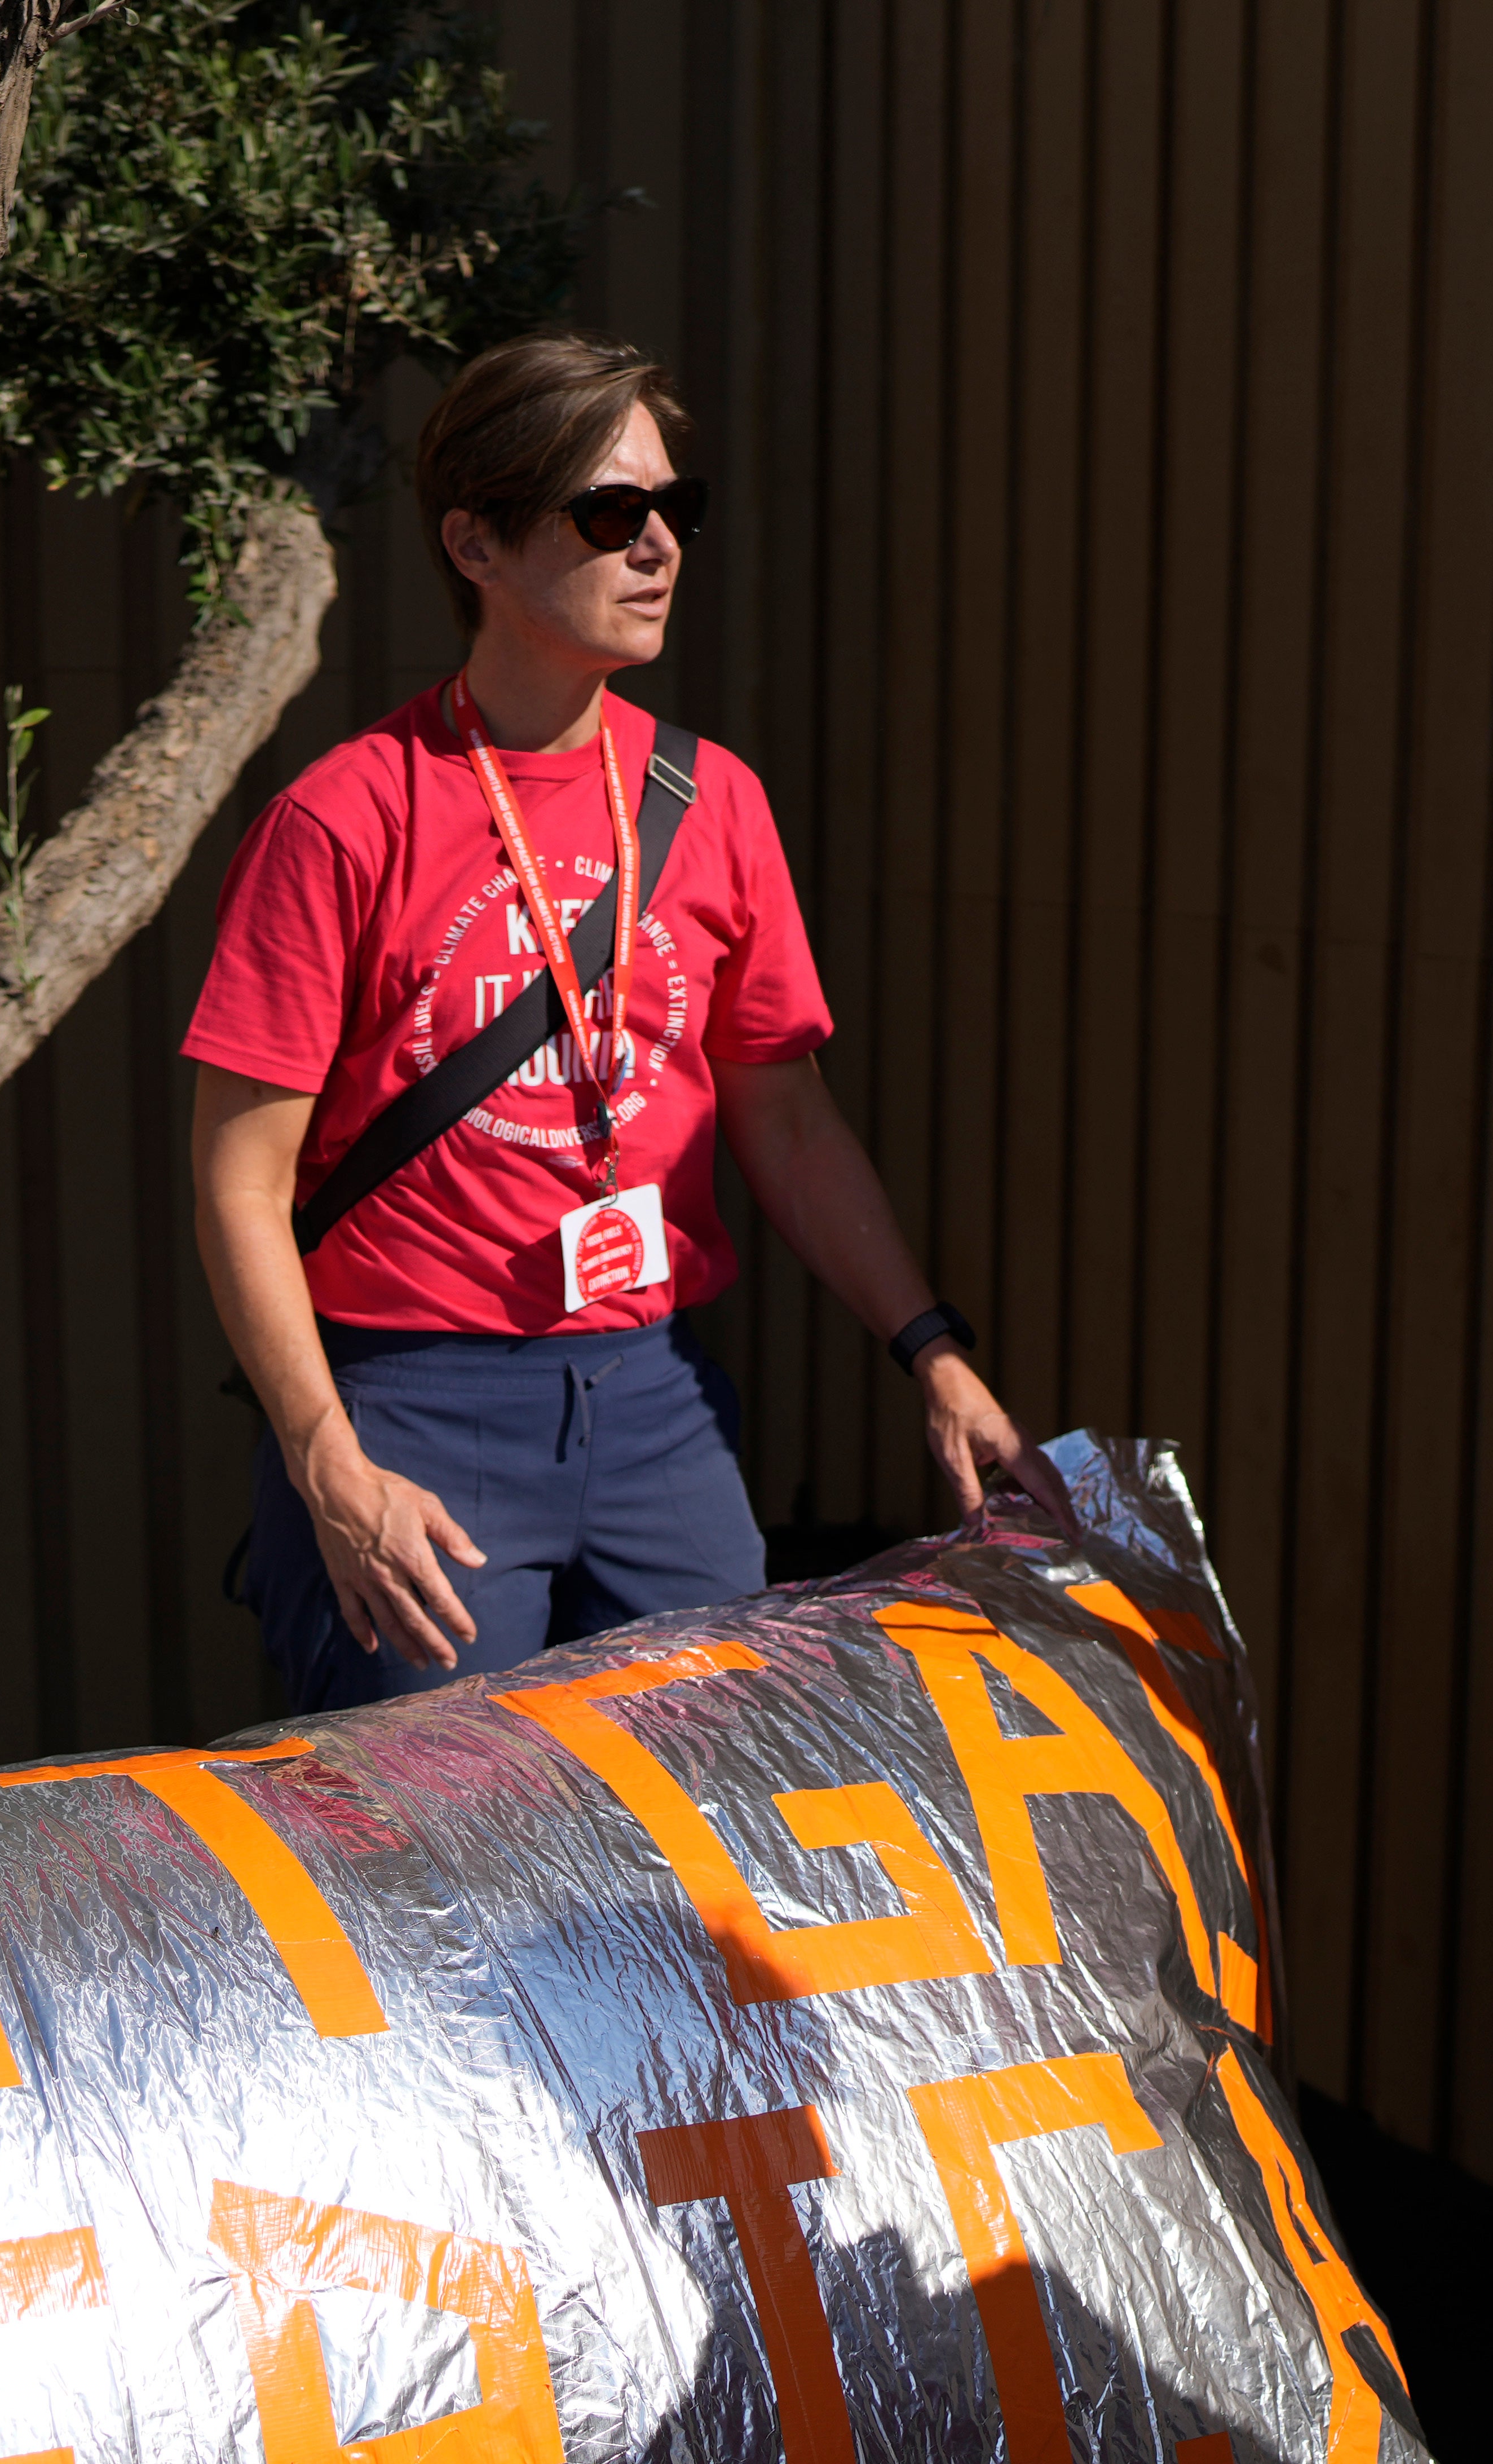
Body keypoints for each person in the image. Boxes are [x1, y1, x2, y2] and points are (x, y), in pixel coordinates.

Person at [182, 333, 1034, 1707]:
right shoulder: (345, 817)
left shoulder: (716, 802)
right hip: (416, 1403)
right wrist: (324, 1457)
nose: (657, 549)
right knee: (438, 1869)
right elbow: (237, 1175)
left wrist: (928, 1351)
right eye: (607, 515)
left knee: (707, 1816)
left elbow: (791, 1123)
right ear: (475, 544)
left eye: (672, 510)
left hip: (654, 1407)